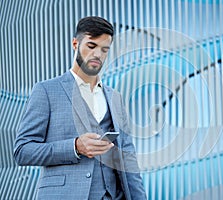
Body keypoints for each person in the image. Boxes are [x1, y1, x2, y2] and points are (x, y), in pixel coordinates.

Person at [14, 16, 147, 200]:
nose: (98, 55)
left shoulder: (115, 98)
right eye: (91, 46)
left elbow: (128, 160)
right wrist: (75, 147)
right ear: (75, 43)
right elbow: (23, 151)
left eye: (104, 49)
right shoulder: (46, 90)